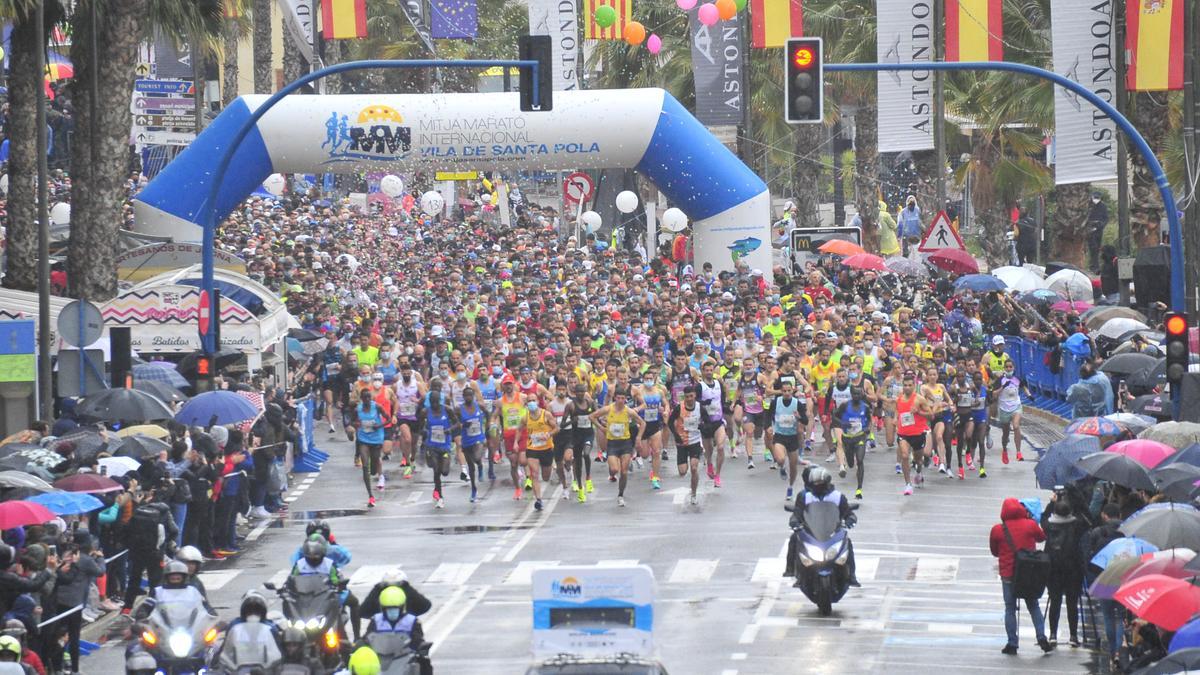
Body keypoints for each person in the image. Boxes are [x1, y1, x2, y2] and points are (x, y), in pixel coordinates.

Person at [988, 497, 1052, 656]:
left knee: (1010, 608)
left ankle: (1012, 642)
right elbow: (1042, 537)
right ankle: (1041, 635)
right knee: (1033, 605)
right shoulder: (1030, 525)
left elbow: (994, 551)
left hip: (1008, 573)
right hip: (1028, 572)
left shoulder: (998, 530)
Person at [783, 467, 859, 586]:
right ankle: (792, 570)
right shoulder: (805, 496)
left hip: (832, 532)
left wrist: (850, 521)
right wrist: (794, 522)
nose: (817, 485)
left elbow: (848, 513)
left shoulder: (838, 497)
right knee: (794, 538)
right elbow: (797, 513)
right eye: (815, 483)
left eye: (820, 483)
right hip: (811, 532)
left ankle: (851, 575)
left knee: (847, 542)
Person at [1042, 498, 1086, 648]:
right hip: (1072, 569)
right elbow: (1088, 518)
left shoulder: (1049, 526)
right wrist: (1076, 498)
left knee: (1055, 601)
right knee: (1072, 603)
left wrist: (1051, 503)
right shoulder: (1076, 526)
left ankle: (1053, 634)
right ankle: (1073, 635)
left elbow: (1043, 517)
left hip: (1053, 570)